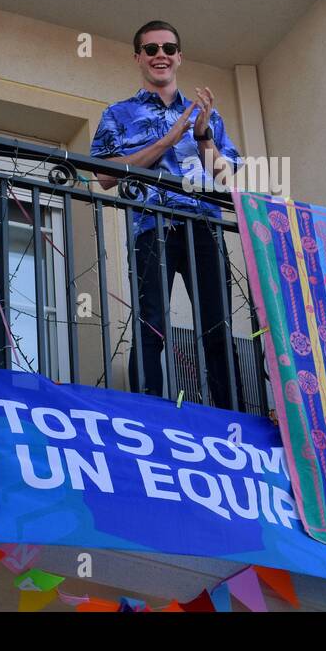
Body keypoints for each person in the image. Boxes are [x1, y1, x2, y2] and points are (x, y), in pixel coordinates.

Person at [91, 21, 242, 410]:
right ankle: (148, 409)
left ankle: (231, 414)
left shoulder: (207, 115)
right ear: (139, 57)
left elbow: (226, 180)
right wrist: (167, 141)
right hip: (150, 226)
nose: (161, 55)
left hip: (204, 227)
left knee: (217, 324)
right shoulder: (118, 114)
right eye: (152, 48)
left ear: (179, 57)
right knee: (151, 322)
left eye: (169, 48)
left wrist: (204, 135)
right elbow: (105, 175)